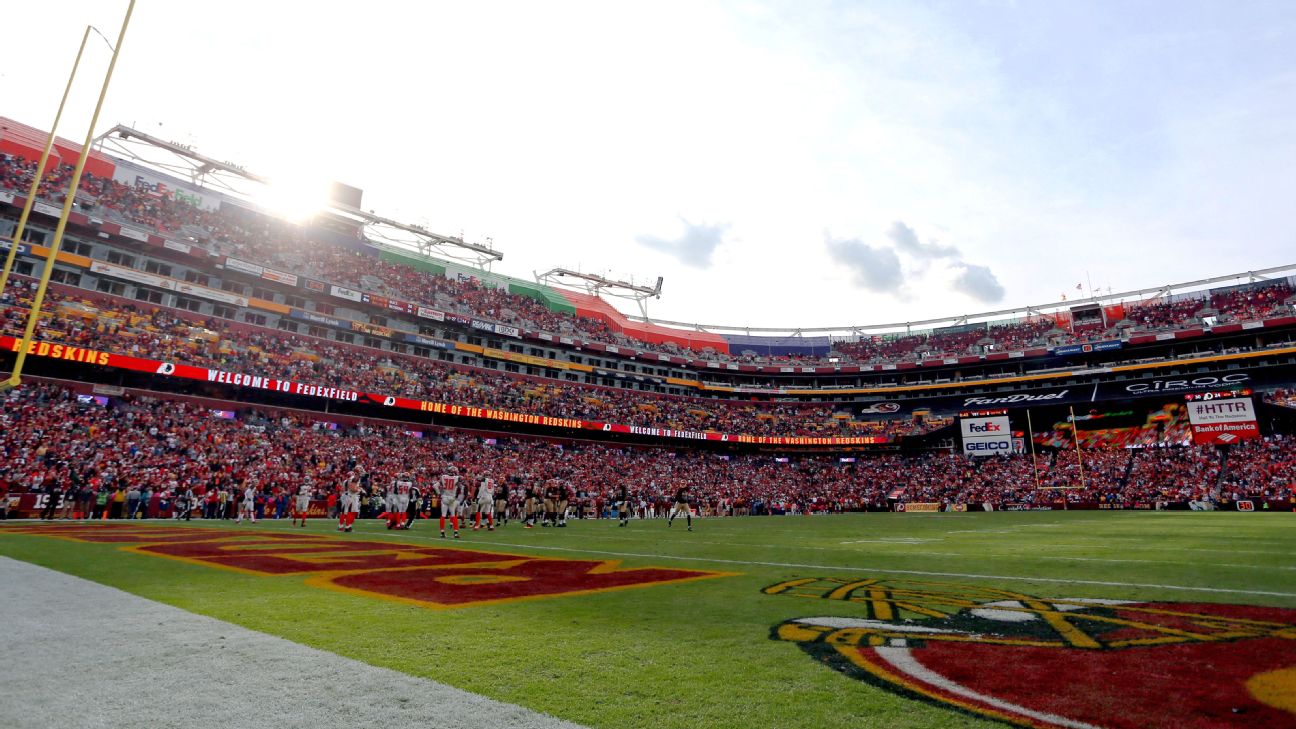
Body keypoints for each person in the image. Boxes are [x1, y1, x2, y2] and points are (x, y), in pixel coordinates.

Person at [438, 465, 462, 539]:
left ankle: (442, 532)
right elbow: (460, 487)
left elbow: (437, 485)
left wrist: (440, 494)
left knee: (443, 515)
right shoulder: (457, 478)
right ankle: (455, 533)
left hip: (445, 497)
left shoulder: (443, 477)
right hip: (452, 498)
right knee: (453, 515)